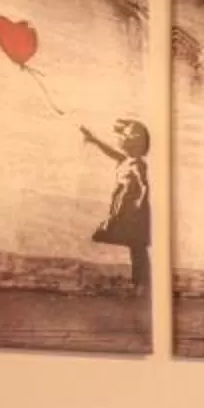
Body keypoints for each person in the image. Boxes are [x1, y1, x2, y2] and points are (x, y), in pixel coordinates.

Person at [83, 117, 153, 295]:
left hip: (134, 209)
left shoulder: (137, 164)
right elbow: (109, 151)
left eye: (126, 138)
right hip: (124, 205)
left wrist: (139, 204)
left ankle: (141, 285)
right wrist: (93, 139)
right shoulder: (125, 159)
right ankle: (140, 284)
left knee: (137, 246)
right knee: (135, 246)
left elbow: (144, 185)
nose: (121, 140)